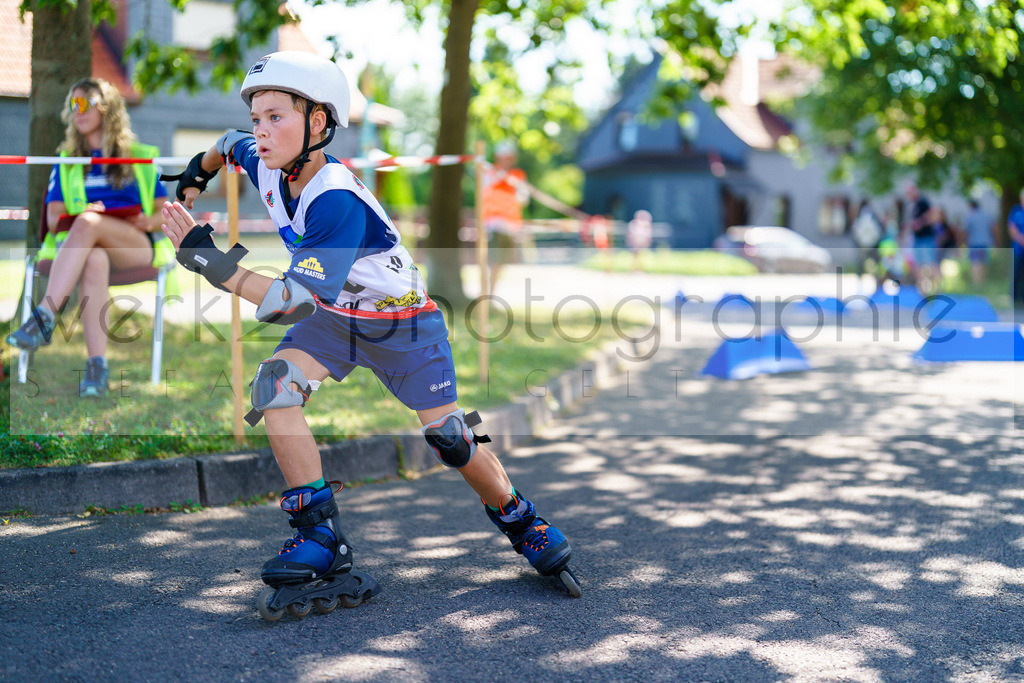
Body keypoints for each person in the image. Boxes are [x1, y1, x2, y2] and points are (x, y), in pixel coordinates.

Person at [157, 52, 579, 615]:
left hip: (402, 320)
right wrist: (195, 176)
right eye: (258, 116)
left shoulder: (334, 199)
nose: (261, 130)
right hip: (337, 317)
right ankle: (320, 537)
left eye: (275, 117)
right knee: (273, 388)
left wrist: (212, 262)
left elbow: (289, 303)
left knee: (450, 437)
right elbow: (226, 141)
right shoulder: (263, 156)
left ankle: (518, 516)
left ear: (318, 122)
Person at [6, 78, 172, 397]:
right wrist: (88, 213)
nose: (76, 111)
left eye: (84, 103)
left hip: (134, 245)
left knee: (89, 223)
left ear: (106, 108)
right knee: (93, 255)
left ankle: (43, 317)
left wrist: (141, 219)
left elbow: (163, 211)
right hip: (88, 245)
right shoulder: (68, 161)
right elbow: (54, 220)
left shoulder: (137, 155)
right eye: (72, 105)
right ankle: (97, 371)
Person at [481, 141, 529, 297]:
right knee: (493, 262)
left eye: (509, 157)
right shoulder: (490, 172)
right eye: (503, 157)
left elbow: (524, 199)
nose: (506, 160)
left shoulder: (518, 175)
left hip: (510, 226)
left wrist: (514, 184)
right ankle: (487, 295)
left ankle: (491, 295)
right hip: (493, 225)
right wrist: (502, 178)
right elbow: (484, 190)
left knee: (500, 263)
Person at [904, 182, 937, 291]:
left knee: (930, 263)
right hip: (917, 239)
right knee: (917, 265)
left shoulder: (923, 202)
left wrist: (919, 223)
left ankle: (936, 289)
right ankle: (922, 290)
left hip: (926, 238)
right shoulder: (913, 205)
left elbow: (933, 215)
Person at [964, 199, 996, 285]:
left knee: (975, 263)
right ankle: (982, 282)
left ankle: (976, 283)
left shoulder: (970, 216)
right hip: (985, 243)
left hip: (974, 243)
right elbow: (993, 229)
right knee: (983, 263)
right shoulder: (986, 216)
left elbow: (966, 231)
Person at [851, 199, 883, 278]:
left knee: (862, 262)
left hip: (863, 243)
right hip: (873, 243)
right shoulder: (872, 214)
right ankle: (877, 279)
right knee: (876, 262)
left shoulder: (860, 215)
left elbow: (856, 230)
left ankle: (861, 278)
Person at [1009, 187, 1024, 308]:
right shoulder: (1016, 211)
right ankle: (1014, 298)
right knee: (1016, 273)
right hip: (1018, 249)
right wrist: (1021, 239)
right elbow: (1012, 228)